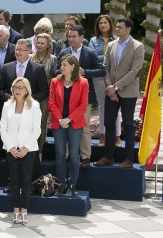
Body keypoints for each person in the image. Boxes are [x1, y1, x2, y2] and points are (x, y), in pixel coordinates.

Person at [94, 18, 145, 170]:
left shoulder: (138, 46)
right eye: (116, 26)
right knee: (109, 123)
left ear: (128, 29)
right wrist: (110, 87)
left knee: (128, 125)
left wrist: (115, 87)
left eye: (120, 27)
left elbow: (135, 71)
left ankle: (129, 158)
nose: (116, 29)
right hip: (111, 91)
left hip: (128, 92)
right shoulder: (111, 45)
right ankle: (108, 156)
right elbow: (106, 68)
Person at [0, 39, 49, 180]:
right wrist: (13, 99)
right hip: (11, 114)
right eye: (16, 50)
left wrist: (27, 100)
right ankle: (12, 183)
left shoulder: (38, 68)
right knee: (12, 150)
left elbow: (44, 91)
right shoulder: (6, 67)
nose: (18, 52)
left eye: (22, 50)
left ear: (29, 52)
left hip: (29, 114)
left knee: (29, 153)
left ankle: (33, 183)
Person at [57, 25, 105, 168]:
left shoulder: (90, 53)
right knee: (65, 125)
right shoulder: (63, 52)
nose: (71, 39)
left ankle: (85, 157)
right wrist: (63, 73)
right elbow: (55, 70)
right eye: (69, 37)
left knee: (83, 128)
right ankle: (65, 156)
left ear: (81, 37)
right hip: (65, 97)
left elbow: (101, 70)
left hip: (84, 97)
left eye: (74, 36)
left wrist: (85, 72)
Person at [0, 77, 41, 224]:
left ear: (27, 90)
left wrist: (25, 148)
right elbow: (2, 128)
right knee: (14, 181)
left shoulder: (34, 106)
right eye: (15, 87)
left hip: (28, 149)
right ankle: (16, 209)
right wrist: (11, 147)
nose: (17, 90)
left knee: (26, 181)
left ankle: (24, 210)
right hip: (11, 149)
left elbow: (37, 129)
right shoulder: (7, 105)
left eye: (21, 88)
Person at [49, 55, 88, 196]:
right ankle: (61, 184)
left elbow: (83, 106)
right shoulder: (55, 81)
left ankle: (72, 184)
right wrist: (60, 119)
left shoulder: (83, 82)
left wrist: (69, 119)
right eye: (61, 64)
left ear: (73, 66)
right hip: (58, 123)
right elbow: (51, 104)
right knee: (60, 154)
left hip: (75, 123)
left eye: (65, 64)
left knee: (74, 155)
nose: (62, 67)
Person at [89, 14, 120, 148]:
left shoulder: (117, 40)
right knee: (102, 107)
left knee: (115, 106)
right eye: (100, 23)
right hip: (99, 75)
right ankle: (102, 136)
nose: (103, 25)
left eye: (105, 23)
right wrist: (107, 57)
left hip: (114, 76)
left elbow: (118, 57)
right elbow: (93, 57)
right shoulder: (93, 40)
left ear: (110, 25)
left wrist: (104, 58)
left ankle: (117, 137)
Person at [30, 33, 58, 163]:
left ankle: (39, 151)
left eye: (42, 43)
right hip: (31, 95)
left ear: (48, 45)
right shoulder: (30, 58)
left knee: (42, 123)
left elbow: (55, 78)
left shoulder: (53, 59)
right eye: (38, 42)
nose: (39, 45)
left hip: (46, 95)